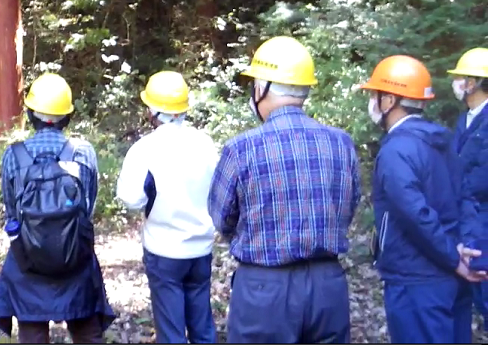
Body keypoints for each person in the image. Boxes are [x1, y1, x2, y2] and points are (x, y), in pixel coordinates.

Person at [208, 35, 360, 343]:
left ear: (261, 87)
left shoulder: (242, 148)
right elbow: (347, 207)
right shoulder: (341, 143)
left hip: (265, 289)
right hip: (328, 285)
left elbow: (222, 216)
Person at [360, 54, 483, 342]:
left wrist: (454, 258)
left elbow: (415, 214)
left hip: (417, 280)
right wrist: (463, 249)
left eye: (376, 95)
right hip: (451, 278)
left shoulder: (396, 151)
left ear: (389, 101)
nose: (373, 103)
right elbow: (465, 198)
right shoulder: (442, 141)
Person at [0, 73, 116, 344]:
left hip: (28, 258)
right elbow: (88, 206)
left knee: (32, 329)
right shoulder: (84, 152)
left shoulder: (15, 154)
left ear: (31, 114)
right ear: (67, 116)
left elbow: (12, 210)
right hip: (75, 256)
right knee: (86, 329)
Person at [116, 71, 217, 343]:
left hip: (164, 250)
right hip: (201, 248)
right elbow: (218, 191)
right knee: (202, 327)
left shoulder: (144, 149)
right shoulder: (205, 143)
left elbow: (130, 197)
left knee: (171, 333)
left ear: (152, 110)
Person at [447, 48, 488, 317]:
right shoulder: (466, 119)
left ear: (472, 83)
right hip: (469, 222)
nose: (456, 83)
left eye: (460, 77)